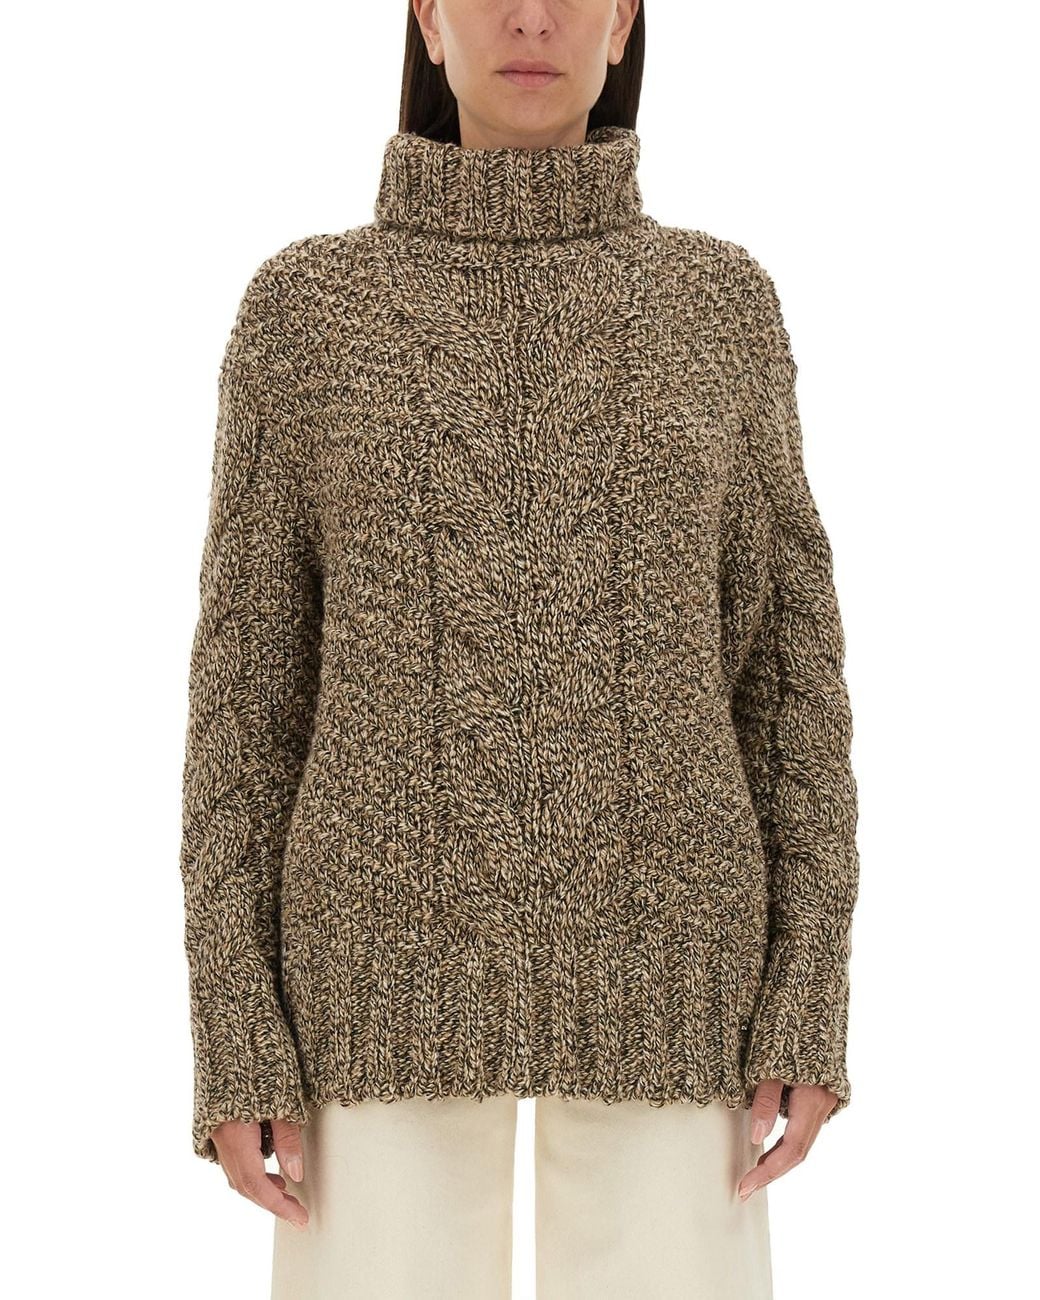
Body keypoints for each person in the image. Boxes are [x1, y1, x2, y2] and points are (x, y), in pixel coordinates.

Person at [177, 2, 860, 1296]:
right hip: (371, 984)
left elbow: (790, 679)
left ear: (626, 19)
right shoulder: (306, 313)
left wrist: (808, 988)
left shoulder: (719, 307)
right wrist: (238, 1027)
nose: (531, 16)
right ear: (427, 20)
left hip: (676, 981)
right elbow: (246, 701)